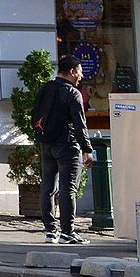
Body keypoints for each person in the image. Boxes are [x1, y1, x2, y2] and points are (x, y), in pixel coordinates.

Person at [34, 56, 94, 245]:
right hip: (67, 145)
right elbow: (79, 124)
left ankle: (51, 231)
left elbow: (35, 114)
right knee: (68, 189)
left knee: (48, 188)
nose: (81, 76)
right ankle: (68, 232)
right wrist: (87, 149)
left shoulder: (45, 88)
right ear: (71, 72)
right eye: (80, 71)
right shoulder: (72, 93)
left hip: (46, 144)